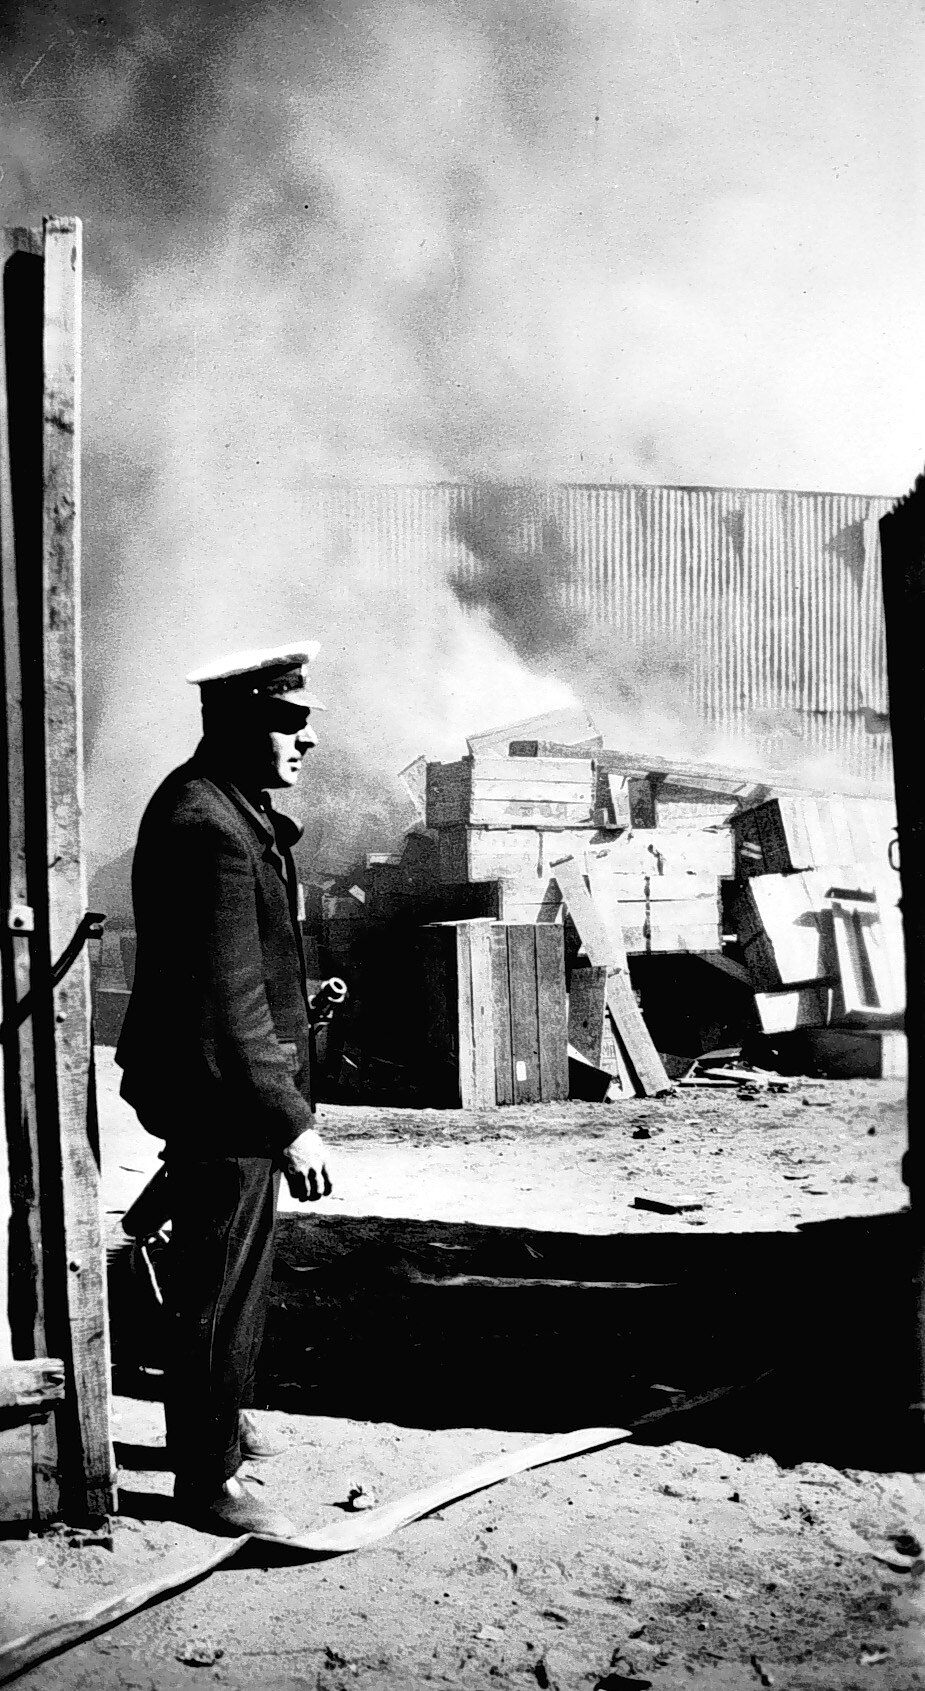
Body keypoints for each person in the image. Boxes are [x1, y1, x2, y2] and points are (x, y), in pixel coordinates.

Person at [116, 641, 333, 1537]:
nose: (305, 739)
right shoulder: (206, 823)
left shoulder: (224, 805)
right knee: (218, 1287)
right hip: (221, 1096)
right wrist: (291, 1121)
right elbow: (228, 998)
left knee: (232, 1277)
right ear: (238, 722)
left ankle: (220, 1426)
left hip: (221, 1084)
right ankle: (207, 1477)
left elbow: (247, 975)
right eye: (286, 722)